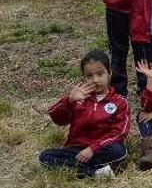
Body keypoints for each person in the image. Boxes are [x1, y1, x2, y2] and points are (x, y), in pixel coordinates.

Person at [39, 50, 129, 179]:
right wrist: (69, 100)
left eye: (100, 74)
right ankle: (95, 173)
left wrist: (93, 148)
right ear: (83, 77)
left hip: (100, 150)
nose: (95, 80)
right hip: (76, 150)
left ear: (109, 74)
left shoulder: (120, 102)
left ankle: (77, 169)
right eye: (89, 76)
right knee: (45, 157)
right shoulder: (77, 98)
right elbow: (57, 118)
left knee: (119, 152)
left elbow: (120, 132)